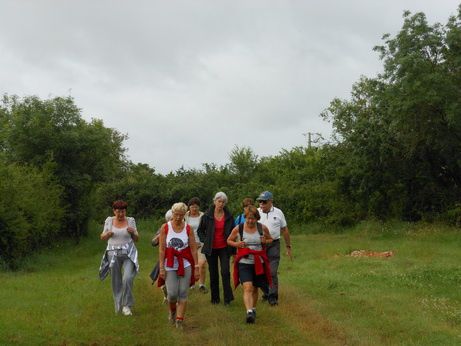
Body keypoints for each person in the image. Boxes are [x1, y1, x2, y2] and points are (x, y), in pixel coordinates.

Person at [227, 205, 273, 324]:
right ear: (245, 217)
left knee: (255, 288)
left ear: (257, 218)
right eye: (248, 218)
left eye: (253, 218)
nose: (250, 221)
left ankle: (253, 308)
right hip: (244, 262)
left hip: (258, 262)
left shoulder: (262, 228)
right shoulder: (239, 228)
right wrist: (237, 245)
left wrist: (265, 241)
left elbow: (270, 239)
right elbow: (229, 240)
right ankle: (249, 312)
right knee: (248, 287)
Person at [158, 202, 199, 329]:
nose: (178, 217)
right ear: (172, 213)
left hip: (185, 263)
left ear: (184, 215)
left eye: (181, 215)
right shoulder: (165, 227)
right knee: (172, 294)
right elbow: (162, 249)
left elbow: (193, 248)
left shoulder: (188, 228)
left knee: (183, 292)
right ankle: (172, 311)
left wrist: (196, 266)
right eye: (176, 214)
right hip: (170, 264)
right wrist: (161, 267)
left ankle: (179, 320)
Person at [99, 200, 139, 316]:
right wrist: (107, 235)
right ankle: (118, 305)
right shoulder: (109, 221)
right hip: (113, 253)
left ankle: (127, 305)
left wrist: (133, 233)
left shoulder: (130, 221)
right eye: (118, 211)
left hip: (128, 253)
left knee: (127, 278)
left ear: (125, 211)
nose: (121, 214)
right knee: (116, 280)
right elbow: (102, 237)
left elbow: (137, 238)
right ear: (114, 211)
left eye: (123, 211)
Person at [198, 191, 235, 305]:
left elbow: (233, 232)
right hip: (211, 248)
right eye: (219, 201)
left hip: (225, 248)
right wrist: (205, 240)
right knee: (213, 273)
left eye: (223, 202)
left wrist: (234, 247)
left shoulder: (229, 216)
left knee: (225, 272)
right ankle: (215, 299)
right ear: (214, 201)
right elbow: (200, 231)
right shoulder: (207, 216)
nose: (221, 204)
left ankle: (227, 299)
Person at [257, 191, 292, 306]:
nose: (261, 204)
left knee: (272, 272)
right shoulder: (256, 213)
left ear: (271, 201)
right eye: (260, 202)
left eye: (264, 202)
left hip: (274, 244)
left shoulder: (278, 213)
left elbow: (285, 230)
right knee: (260, 272)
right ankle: (266, 292)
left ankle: (272, 297)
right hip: (259, 245)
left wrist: (288, 246)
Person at [184, 197, 208, 293]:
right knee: (190, 264)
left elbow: (206, 230)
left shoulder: (203, 216)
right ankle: (192, 283)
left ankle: (201, 284)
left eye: (196, 207)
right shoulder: (184, 216)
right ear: (189, 207)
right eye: (192, 207)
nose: (194, 209)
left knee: (201, 264)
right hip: (187, 244)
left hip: (201, 243)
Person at [150, 209, 173, 303]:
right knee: (162, 278)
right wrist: (158, 237)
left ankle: (174, 296)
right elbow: (153, 242)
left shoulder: (182, 228)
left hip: (178, 257)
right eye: (171, 219)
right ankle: (166, 295)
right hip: (165, 257)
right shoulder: (162, 228)